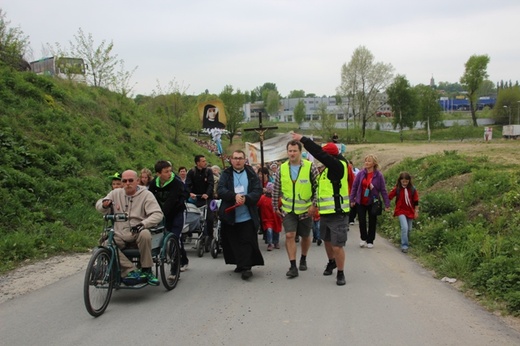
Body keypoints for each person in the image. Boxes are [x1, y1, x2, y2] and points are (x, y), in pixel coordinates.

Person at [293, 134, 349, 285]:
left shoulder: (338, 166)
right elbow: (321, 190)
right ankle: (331, 262)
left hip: (338, 213)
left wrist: (304, 140)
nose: (321, 159)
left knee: (337, 246)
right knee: (328, 241)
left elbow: (319, 153)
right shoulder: (325, 171)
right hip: (325, 213)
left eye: (325, 156)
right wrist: (314, 206)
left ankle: (341, 273)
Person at [95, 170, 164, 286]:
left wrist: (143, 224)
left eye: (131, 180)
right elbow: (99, 205)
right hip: (120, 233)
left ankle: (147, 270)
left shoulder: (146, 195)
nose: (127, 183)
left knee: (145, 234)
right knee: (106, 244)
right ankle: (130, 270)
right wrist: (103, 204)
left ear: (137, 181)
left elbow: (157, 214)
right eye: (124, 181)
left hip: (138, 231)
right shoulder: (115, 193)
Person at [272, 139, 318, 278]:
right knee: (290, 235)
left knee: (305, 236)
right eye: (290, 151)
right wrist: (275, 206)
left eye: (294, 151)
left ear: (300, 152)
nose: (292, 153)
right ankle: (293, 266)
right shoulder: (282, 168)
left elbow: (318, 188)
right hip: (288, 210)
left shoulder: (311, 167)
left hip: (306, 210)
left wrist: (314, 205)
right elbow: (276, 188)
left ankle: (303, 258)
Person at [217, 150, 264, 280]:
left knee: (247, 241)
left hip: (247, 215)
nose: (238, 161)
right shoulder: (226, 174)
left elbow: (257, 190)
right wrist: (234, 196)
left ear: (245, 160)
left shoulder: (251, 174)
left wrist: (246, 198)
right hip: (231, 215)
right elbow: (220, 190)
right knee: (234, 242)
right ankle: (240, 263)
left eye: (240, 158)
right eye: (235, 158)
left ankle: (247, 267)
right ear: (231, 160)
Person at [148, 160, 189, 275]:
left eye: (170, 171)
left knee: (175, 238)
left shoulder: (176, 183)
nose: (169, 174)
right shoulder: (153, 184)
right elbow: (149, 199)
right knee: (163, 239)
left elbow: (172, 201)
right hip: (161, 215)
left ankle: (174, 271)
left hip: (177, 213)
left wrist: (160, 214)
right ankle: (184, 259)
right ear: (158, 174)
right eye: (166, 172)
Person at [350, 154, 390, 249]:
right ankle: (363, 238)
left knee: (372, 221)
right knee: (362, 220)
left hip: (373, 201)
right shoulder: (360, 174)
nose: (366, 163)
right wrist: (352, 199)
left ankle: (370, 240)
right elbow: (354, 187)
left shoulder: (378, 175)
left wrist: (387, 203)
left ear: (374, 163)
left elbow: (383, 190)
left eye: (369, 161)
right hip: (361, 201)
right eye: (366, 161)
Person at [186, 155, 215, 249]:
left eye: (205, 161)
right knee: (194, 216)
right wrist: (190, 193)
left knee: (209, 218)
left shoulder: (208, 171)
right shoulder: (191, 172)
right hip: (196, 198)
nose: (205, 163)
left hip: (207, 198)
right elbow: (188, 184)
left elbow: (211, 184)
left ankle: (210, 236)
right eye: (203, 161)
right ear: (198, 163)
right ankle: (193, 233)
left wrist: (207, 193)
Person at [388, 172, 419, 253]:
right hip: (400, 210)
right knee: (404, 227)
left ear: (409, 181)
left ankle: (406, 241)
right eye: (403, 181)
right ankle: (404, 245)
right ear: (400, 180)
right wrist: (387, 205)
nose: (405, 183)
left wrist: (416, 212)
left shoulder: (412, 189)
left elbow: (416, 201)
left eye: (406, 181)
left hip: (410, 211)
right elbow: (389, 197)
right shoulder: (397, 189)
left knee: (409, 229)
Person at [257, 182, 282, 251]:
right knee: (269, 230)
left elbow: (282, 205)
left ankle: (276, 242)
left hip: (276, 218)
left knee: (276, 231)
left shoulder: (277, 199)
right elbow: (257, 205)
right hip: (267, 218)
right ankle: (270, 243)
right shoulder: (263, 198)